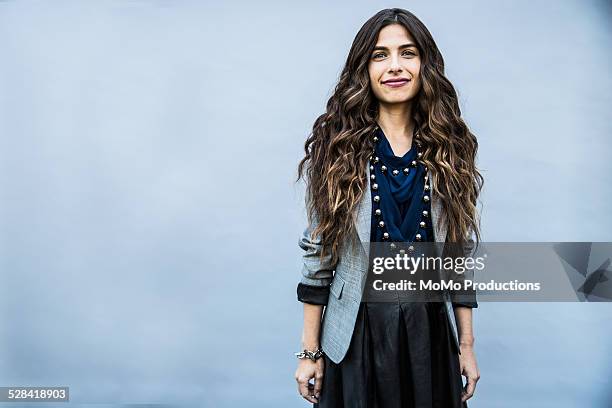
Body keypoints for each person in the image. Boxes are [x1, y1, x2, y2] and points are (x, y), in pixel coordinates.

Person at [293, 8, 483, 408]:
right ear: (363, 68)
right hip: (356, 331)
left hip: (429, 330)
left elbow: (458, 258)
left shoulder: (451, 148)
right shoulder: (338, 149)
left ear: (424, 63)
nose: (394, 66)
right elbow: (318, 258)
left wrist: (466, 345)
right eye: (380, 54)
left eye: (407, 53)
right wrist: (310, 353)